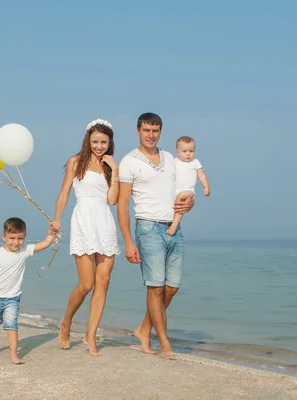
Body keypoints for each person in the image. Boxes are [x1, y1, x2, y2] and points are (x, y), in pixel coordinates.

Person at [117, 112, 194, 360]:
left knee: (171, 287)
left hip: (173, 227)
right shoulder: (129, 161)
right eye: (146, 130)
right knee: (156, 288)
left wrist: (189, 203)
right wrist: (128, 241)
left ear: (160, 132)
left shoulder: (171, 158)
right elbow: (122, 203)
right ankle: (164, 344)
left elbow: (184, 189)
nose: (151, 135)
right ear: (138, 131)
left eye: (155, 130)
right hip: (148, 227)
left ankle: (143, 329)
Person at [53, 118, 120, 356]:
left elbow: (112, 200)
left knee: (103, 283)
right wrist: (57, 219)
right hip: (82, 221)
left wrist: (116, 171)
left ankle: (91, 336)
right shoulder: (76, 162)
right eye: (95, 141)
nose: (99, 146)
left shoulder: (111, 166)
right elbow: (63, 194)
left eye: (103, 142)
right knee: (86, 285)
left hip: (104, 223)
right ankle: (66, 321)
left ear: (110, 142)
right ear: (87, 140)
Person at [0, 217, 59, 364]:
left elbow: (44, 244)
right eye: (12, 238)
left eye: (20, 238)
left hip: (13, 298)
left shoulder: (24, 251)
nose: (16, 242)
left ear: (25, 237)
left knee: (12, 325)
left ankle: (13, 354)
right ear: (3, 237)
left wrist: (52, 232)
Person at [166, 136, 211, 236]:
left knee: (181, 200)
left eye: (191, 151)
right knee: (175, 206)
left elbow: (201, 175)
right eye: (184, 151)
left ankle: (175, 224)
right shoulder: (175, 162)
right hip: (175, 190)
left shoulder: (195, 163)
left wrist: (206, 187)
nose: (188, 154)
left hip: (188, 190)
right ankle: (171, 222)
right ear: (177, 151)